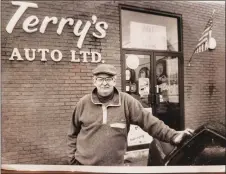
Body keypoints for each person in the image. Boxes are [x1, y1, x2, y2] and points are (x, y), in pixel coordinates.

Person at [67, 64, 194, 166]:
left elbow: (150, 122)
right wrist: (72, 161)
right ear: (94, 81)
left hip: (115, 168)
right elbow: (72, 134)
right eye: (100, 79)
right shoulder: (83, 103)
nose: (104, 83)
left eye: (108, 79)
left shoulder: (126, 102)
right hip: (84, 167)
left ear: (114, 81)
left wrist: (173, 136)